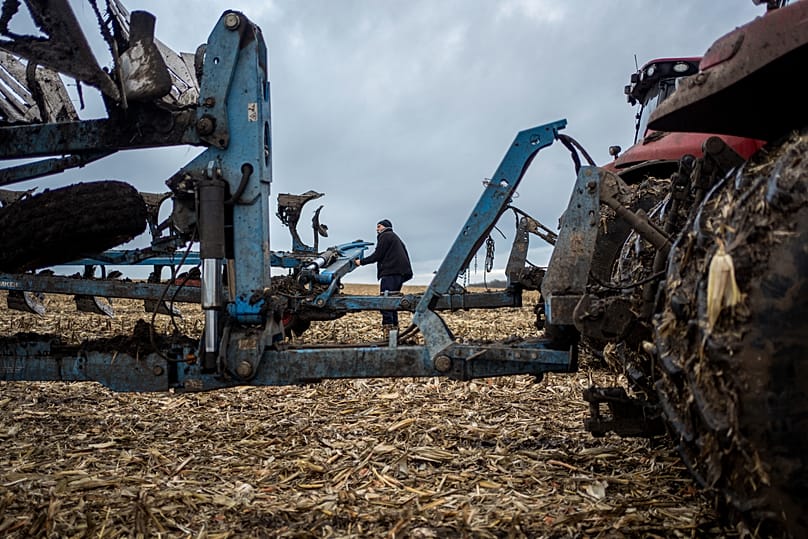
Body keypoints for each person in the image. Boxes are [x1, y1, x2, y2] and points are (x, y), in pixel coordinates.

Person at [355, 219, 413, 333]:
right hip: (400, 274)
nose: (377, 229)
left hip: (390, 273)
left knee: (385, 301)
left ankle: (388, 331)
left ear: (385, 227)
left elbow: (377, 255)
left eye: (379, 226)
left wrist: (361, 262)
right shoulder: (395, 238)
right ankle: (395, 331)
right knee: (393, 302)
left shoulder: (385, 236)